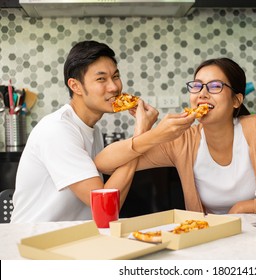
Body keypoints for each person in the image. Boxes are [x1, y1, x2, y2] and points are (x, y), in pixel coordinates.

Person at [94, 57, 256, 214]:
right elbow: (105, 163)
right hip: (208, 244)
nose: (202, 94)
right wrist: (149, 131)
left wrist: (244, 208)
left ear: (237, 100)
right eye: (197, 86)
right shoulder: (183, 141)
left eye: (215, 86)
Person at [11, 40, 196, 223]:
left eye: (115, 76)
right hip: (33, 241)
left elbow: (112, 207)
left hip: (75, 238)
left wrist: (141, 138)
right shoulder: (57, 130)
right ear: (75, 86)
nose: (114, 87)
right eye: (101, 79)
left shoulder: (93, 130)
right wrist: (142, 134)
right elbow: (102, 204)